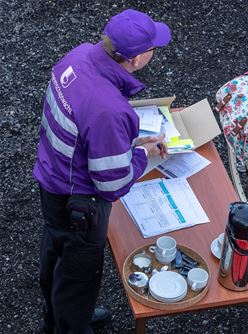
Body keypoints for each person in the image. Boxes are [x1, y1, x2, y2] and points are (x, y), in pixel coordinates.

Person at [33, 9, 171, 333]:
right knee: (78, 277)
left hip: (52, 179)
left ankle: (55, 317)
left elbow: (85, 123)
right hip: (78, 203)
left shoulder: (79, 55)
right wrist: (140, 155)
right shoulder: (109, 109)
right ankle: (71, 325)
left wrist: (128, 140)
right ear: (136, 59)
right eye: (153, 48)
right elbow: (111, 184)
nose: (155, 53)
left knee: (55, 254)